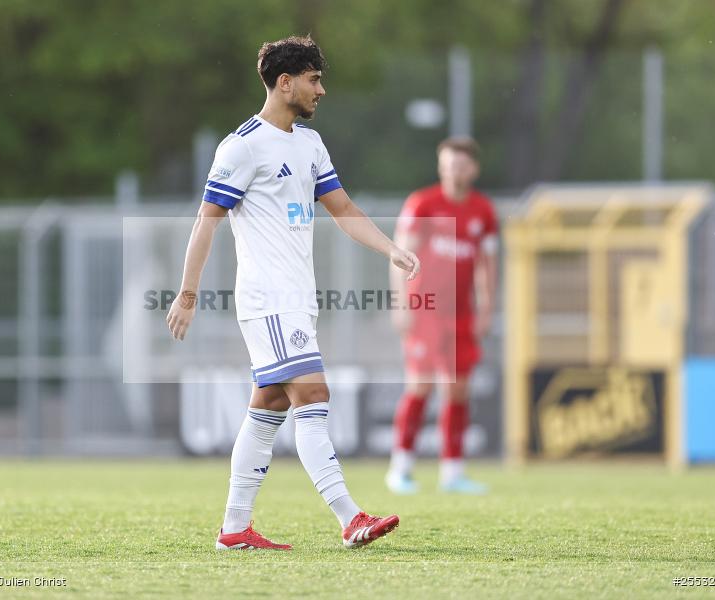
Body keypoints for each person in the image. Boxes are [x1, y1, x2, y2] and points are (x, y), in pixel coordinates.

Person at [166, 36, 420, 551]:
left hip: (297, 300)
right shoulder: (242, 147)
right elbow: (206, 221)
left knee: (267, 411)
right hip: (268, 300)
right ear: (285, 83)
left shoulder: (309, 144)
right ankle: (350, 518)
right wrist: (187, 292)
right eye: (313, 79)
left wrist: (389, 248)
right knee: (315, 396)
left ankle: (234, 529)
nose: (320, 89)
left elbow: (343, 209)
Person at [385, 137, 498, 495]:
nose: (455, 171)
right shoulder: (423, 204)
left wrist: (486, 310)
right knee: (420, 385)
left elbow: (487, 267)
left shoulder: (483, 211)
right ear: (440, 167)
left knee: (458, 391)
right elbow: (400, 258)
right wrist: (402, 303)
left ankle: (453, 472)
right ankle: (400, 468)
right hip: (425, 309)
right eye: (449, 164)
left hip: (460, 314)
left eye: (462, 165)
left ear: (474, 169)